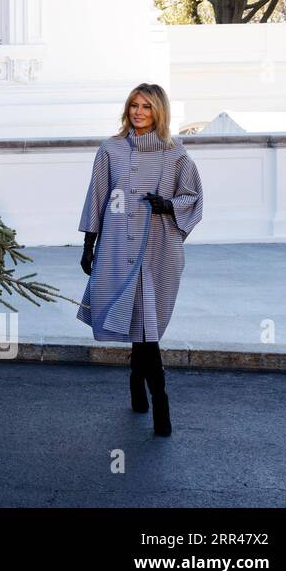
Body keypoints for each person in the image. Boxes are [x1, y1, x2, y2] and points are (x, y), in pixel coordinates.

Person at [77, 83, 204, 437]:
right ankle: (154, 401)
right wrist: (89, 246)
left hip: (158, 248)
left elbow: (193, 197)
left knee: (148, 325)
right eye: (134, 105)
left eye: (146, 106)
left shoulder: (176, 154)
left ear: (158, 111)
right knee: (141, 326)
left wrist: (168, 205)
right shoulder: (110, 150)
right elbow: (96, 198)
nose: (138, 112)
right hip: (118, 247)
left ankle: (145, 392)